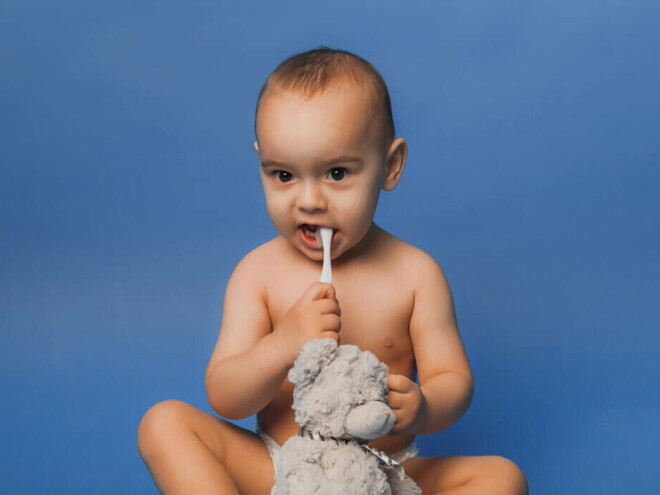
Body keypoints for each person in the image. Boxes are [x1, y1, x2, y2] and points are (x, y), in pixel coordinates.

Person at [137, 47, 528, 495]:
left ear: (390, 166)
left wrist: (423, 408)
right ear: (261, 163)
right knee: (163, 423)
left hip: (384, 473)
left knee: (502, 478)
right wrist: (282, 343)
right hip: (280, 469)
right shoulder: (257, 273)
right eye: (283, 175)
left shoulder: (417, 274)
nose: (309, 200)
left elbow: (454, 380)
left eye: (337, 173)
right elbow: (225, 396)